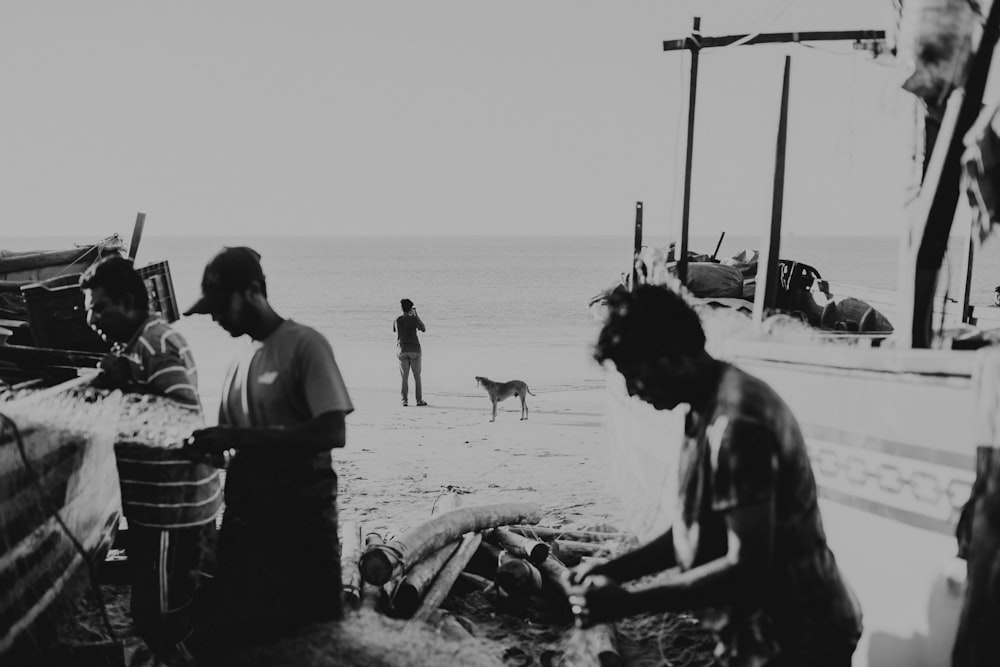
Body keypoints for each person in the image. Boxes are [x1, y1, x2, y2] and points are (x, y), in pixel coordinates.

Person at [569, 284, 862, 667]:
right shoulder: (702, 405)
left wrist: (631, 602)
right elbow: (695, 531)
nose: (631, 391)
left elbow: (749, 568)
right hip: (756, 634)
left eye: (633, 374)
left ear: (669, 355)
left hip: (798, 637)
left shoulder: (738, 425)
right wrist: (610, 569)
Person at [181, 246, 353, 651]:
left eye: (221, 305)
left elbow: (332, 431)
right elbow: (229, 448)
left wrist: (238, 439)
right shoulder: (237, 361)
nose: (215, 317)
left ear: (254, 290)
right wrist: (205, 449)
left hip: (303, 528)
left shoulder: (305, 345)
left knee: (313, 643)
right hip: (248, 526)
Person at [80, 255, 222, 662]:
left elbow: (182, 417)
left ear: (126, 301)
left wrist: (125, 383)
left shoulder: (155, 345)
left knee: (159, 616)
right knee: (167, 612)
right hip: (159, 506)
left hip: (170, 511)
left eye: (98, 308)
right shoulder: (136, 343)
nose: (92, 320)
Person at [394, 297, 427, 406]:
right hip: (414, 350)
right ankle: (419, 400)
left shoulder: (397, 319)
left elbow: (395, 330)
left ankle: (404, 400)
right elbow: (423, 328)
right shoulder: (414, 319)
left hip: (402, 349)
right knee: (417, 376)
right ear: (410, 309)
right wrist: (415, 315)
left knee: (404, 377)